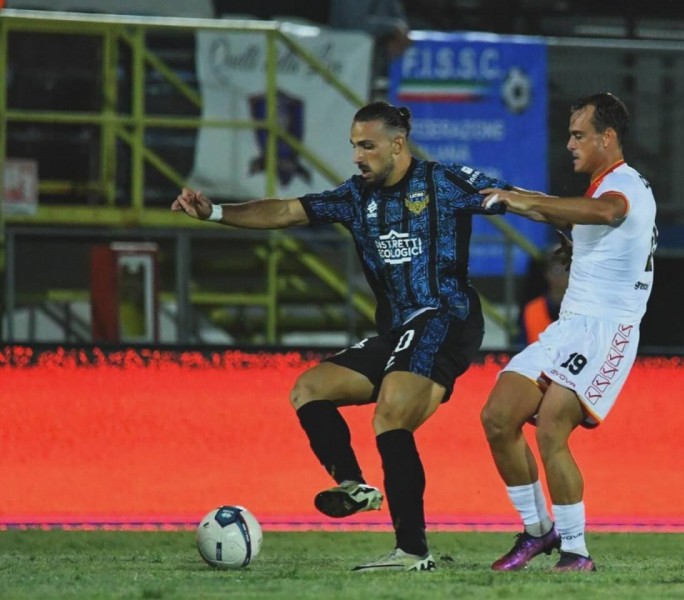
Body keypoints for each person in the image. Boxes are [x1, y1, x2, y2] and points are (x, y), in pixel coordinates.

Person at [172, 100, 512, 572]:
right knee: (310, 388)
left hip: (445, 317)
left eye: (367, 146)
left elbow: (516, 198)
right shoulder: (355, 197)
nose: (357, 157)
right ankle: (354, 485)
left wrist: (568, 230)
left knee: (391, 413)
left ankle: (413, 552)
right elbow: (286, 211)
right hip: (399, 330)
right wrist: (215, 213)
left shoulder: (443, 182)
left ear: (398, 145)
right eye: (354, 146)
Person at [479, 92, 657, 572]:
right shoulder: (600, 186)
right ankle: (539, 531)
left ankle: (576, 552)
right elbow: (553, 212)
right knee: (498, 416)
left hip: (607, 331)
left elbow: (609, 212)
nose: (570, 144)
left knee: (552, 425)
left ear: (607, 137)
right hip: (569, 327)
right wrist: (512, 198)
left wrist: (523, 200)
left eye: (579, 135)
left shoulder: (624, 184)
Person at [328, 0, 412, 83]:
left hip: (377, 60)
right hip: (346, 60)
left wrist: (396, 35)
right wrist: (392, 28)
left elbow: (400, 20)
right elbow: (353, 25)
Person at [519, 246, 570, 346]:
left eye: (567, 269)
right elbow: (519, 347)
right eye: (557, 269)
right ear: (547, 274)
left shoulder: (586, 310)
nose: (562, 275)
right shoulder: (531, 310)